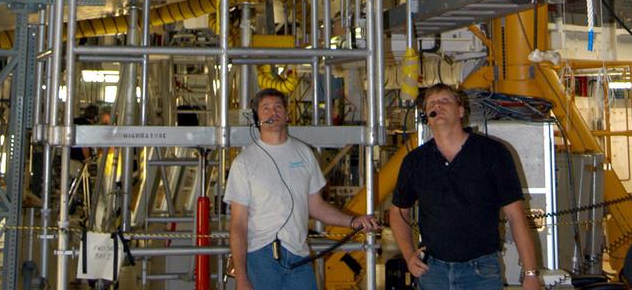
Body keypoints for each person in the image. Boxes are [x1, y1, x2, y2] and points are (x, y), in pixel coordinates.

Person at [389, 83, 543, 290]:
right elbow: (399, 211)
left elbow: (516, 216)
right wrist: (408, 255)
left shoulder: (492, 153)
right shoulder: (415, 161)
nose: (439, 106)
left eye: (445, 101)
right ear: (427, 116)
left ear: (461, 111)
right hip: (433, 272)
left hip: (481, 272)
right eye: (432, 103)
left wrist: (531, 274)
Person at [226, 88, 379, 290]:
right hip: (261, 257)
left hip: (298, 255)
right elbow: (238, 225)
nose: (273, 112)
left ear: (287, 115)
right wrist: (242, 278)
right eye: (266, 108)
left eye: (278, 107)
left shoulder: (304, 153)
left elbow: (316, 206)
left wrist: (352, 221)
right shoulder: (244, 163)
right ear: (257, 118)